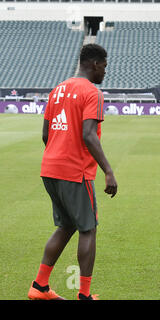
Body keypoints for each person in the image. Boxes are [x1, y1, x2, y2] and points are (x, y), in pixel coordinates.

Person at [28, 44, 118, 300]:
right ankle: (85, 295)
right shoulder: (92, 92)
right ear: (94, 64)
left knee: (66, 225)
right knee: (88, 229)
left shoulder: (57, 90)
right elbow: (88, 135)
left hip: (50, 169)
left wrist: (59, 155)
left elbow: (46, 134)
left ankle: (40, 286)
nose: (105, 72)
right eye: (104, 66)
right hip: (74, 172)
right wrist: (108, 171)